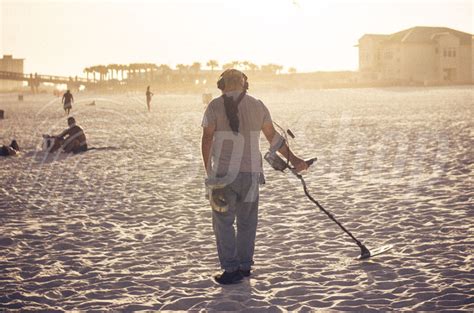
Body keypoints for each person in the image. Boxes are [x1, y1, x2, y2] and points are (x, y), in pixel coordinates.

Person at [201, 69, 308, 285]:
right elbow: (273, 139)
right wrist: (295, 159)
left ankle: (231, 270)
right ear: (245, 84)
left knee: (223, 223)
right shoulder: (257, 105)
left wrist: (208, 171)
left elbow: (206, 139)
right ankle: (244, 266)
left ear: (222, 85)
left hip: (222, 175)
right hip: (250, 176)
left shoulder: (214, 105)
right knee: (247, 222)